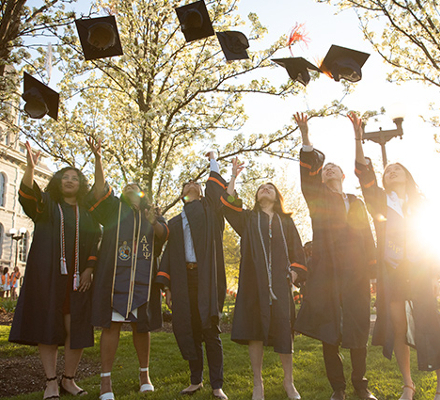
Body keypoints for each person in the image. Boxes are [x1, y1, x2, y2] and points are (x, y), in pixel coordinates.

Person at [349, 111, 440, 400]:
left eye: (397, 169)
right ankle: (408, 385)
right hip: (393, 270)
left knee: (429, 323)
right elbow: (363, 171)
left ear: (407, 176)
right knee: (398, 325)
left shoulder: (421, 203)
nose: (392, 172)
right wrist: (358, 138)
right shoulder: (378, 200)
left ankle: (439, 382)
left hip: (421, 271)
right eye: (388, 171)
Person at [293, 113, 377, 400]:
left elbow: (367, 236)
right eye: (325, 168)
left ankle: (360, 385)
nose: (328, 170)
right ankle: (338, 388)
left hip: (355, 272)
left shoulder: (355, 202)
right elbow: (308, 180)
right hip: (327, 272)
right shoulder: (318, 199)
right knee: (330, 329)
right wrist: (306, 137)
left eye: (333, 168)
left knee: (357, 325)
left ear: (342, 176)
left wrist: (372, 269)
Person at [9, 141, 101, 400]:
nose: (70, 181)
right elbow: (27, 194)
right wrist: (30, 166)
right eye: (65, 177)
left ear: (80, 184)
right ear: (58, 183)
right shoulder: (47, 205)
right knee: (49, 326)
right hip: (48, 276)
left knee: (76, 328)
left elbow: (96, 241)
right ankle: (51, 381)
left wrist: (89, 268)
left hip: (77, 279)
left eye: (75, 178)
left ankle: (69, 380)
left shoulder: (88, 212)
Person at [86, 138, 168, 400]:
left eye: (135, 186)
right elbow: (99, 190)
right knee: (112, 326)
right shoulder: (114, 209)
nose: (131, 186)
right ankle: (105, 383)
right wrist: (98, 159)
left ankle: (145, 375)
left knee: (140, 328)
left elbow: (162, 235)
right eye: (126, 186)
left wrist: (153, 220)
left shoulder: (151, 212)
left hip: (142, 280)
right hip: (114, 279)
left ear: (142, 192)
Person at [220, 158, 306, 400]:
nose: (265, 189)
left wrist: (294, 272)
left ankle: (289, 382)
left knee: (283, 330)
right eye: (261, 188)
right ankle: (258, 383)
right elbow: (229, 205)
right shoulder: (248, 219)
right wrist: (234, 177)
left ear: (277, 196)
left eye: (270, 187)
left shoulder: (286, 221)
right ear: (257, 197)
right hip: (253, 283)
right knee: (255, 330)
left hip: (280, 283)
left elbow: (297, 251)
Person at [156, 151, 228, 400]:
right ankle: (195, 380)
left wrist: (213, 160)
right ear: (183, 194)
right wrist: (167, 288)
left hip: (206, 278)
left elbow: (215, 190)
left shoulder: (209, 212)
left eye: (197, 183)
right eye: (188, 184)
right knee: (190, 328)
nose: (194, 184)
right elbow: (167, 255)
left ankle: (217, 384)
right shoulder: (174, 223)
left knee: (210, 330)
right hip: (183, 280)